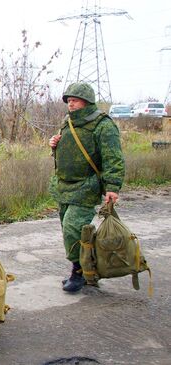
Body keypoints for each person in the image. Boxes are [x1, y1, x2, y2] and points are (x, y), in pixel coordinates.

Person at [49, 82, 125, 293]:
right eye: (69, 101)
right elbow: (68, 151)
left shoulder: (103, 125)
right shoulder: (67, 122)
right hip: (64, 186)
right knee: (69, 229)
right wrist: (55, 145)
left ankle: (79, 273)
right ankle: (88, 270)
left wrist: (112, 187)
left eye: (74, 100)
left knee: (74, 228)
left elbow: (113, 158)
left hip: (87, 186)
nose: (70, 105)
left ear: (87, 101)